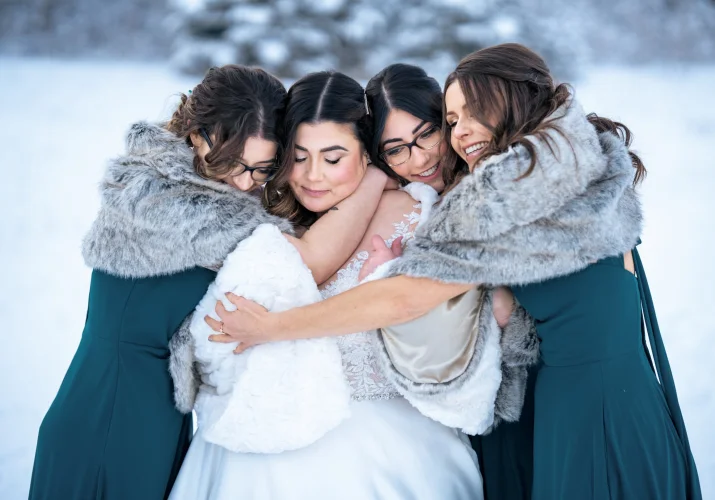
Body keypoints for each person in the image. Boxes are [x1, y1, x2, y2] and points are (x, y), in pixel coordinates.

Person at [208, 44, 702, 500]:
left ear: (510, 103)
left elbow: (407, 297)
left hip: (587, 405)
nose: (446, 140)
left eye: (437, 129)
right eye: (451, 118)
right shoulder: (569, 161)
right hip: (572, 395)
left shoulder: (510, 189)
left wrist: (273, 327)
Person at [29, 64, 388, 500]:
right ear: (197, 134)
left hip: (142, 406)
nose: (242, 182)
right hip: (117, 415)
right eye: (232, 163)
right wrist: (375, 176)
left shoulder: (153, 176)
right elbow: (309, 262)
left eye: (261, 169)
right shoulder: (183, 207)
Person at [169, 70, 483, 500]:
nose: (313, 176)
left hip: (381, 446)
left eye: (333, 158)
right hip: (257, 436)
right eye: (298, 157)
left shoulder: (407, 212)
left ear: (368, 153)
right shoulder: (266, 213)